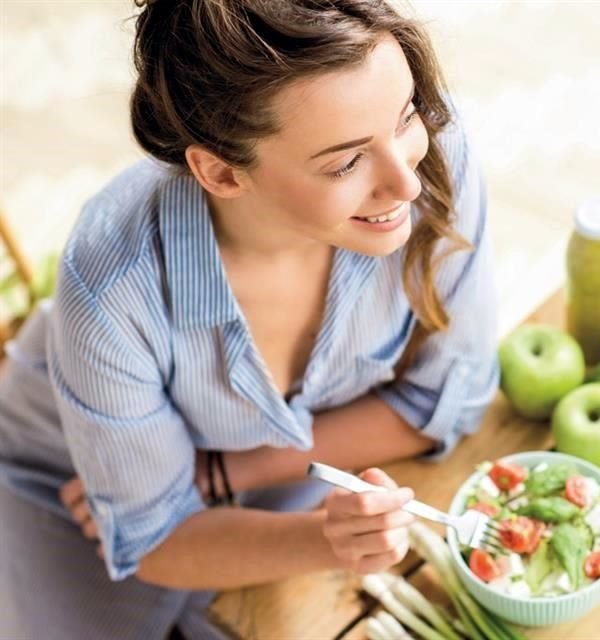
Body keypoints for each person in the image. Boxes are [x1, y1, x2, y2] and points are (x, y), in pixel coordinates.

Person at [0, 1, 498, 637]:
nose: (406, 183)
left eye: (405, 117)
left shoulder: (430, 161)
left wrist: (225, 473)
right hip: (67, 485)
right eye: (345, 162)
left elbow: (452, 395)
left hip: (278, 469)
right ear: (220, 171)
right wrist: (327, 539)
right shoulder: (110, 286)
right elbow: (156, 537)